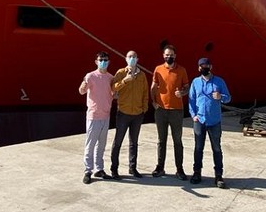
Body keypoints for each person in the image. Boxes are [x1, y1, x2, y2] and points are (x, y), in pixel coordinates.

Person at [188, 57, 232, 188]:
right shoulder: (195, 82)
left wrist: (221, 97)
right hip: (199, 121)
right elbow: (191, 100)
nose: (204, 68)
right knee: (198, 148)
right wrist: (193, 115)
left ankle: (218, 175)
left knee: (216, 148)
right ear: (198, 68)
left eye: (206, 66)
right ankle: (197, 173)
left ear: (210, 67)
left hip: (214, 121)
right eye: (202, 66)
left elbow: (228, 98)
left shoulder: (219, 81)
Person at [150, 44, 189, 180]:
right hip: (161, 110)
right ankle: (160, 167)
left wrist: (182, 93)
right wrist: (153, 101)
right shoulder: (158, 69)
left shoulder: (182, 70)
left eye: (171, 55)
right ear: (163, 56)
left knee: (177, 141)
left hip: (176, 111)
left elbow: (187, 87)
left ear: (175, 56)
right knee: (161, 140)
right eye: (167, 55)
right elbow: (153, 86)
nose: (169, 57)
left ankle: (179, 169)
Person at [109, 50, 149, 180]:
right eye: (130, 56)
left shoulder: (142, 75)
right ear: (126, 59)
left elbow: (145, 93)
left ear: (138, 59)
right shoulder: (121, 73)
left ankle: (133, 167)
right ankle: (114, 169)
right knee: (118, 142)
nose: (132, 58)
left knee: (134, 143)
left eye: (134, 57)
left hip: (137, 114)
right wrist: (125, 81)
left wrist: (144, 109)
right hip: (123, 113)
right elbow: (113, 88)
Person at [79, 51, 114, 184]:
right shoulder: (90, 76)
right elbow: (81, 91)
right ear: (96, 62)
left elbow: (114, 93)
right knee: (90, 144)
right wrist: (83, 84)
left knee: (102, 145)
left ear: (109, 62)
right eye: (101, 60)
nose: (103, 62)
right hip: (93, 115)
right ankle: (88, 170)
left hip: (106, 115)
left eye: (105, 60)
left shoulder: (111, 77)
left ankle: (99, 169)